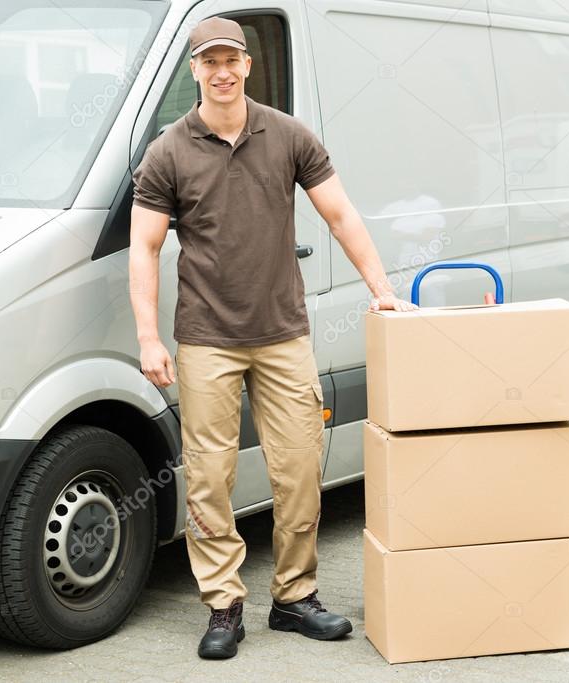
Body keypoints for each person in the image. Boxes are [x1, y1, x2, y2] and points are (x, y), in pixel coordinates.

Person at [128, 15, 417, 660]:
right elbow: (144, 249)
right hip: (206, 337)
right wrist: (150, 338)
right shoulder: (168, 151)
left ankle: (294, 597)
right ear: (194, 71)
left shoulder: (287, 136)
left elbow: (340, 214)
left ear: (248, 66)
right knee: (208, 475)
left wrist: (381, 287)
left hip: (284, 334)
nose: (223, 71)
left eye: (233, 59)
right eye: (210, 62)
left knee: (297, 467)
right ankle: (224, 604)